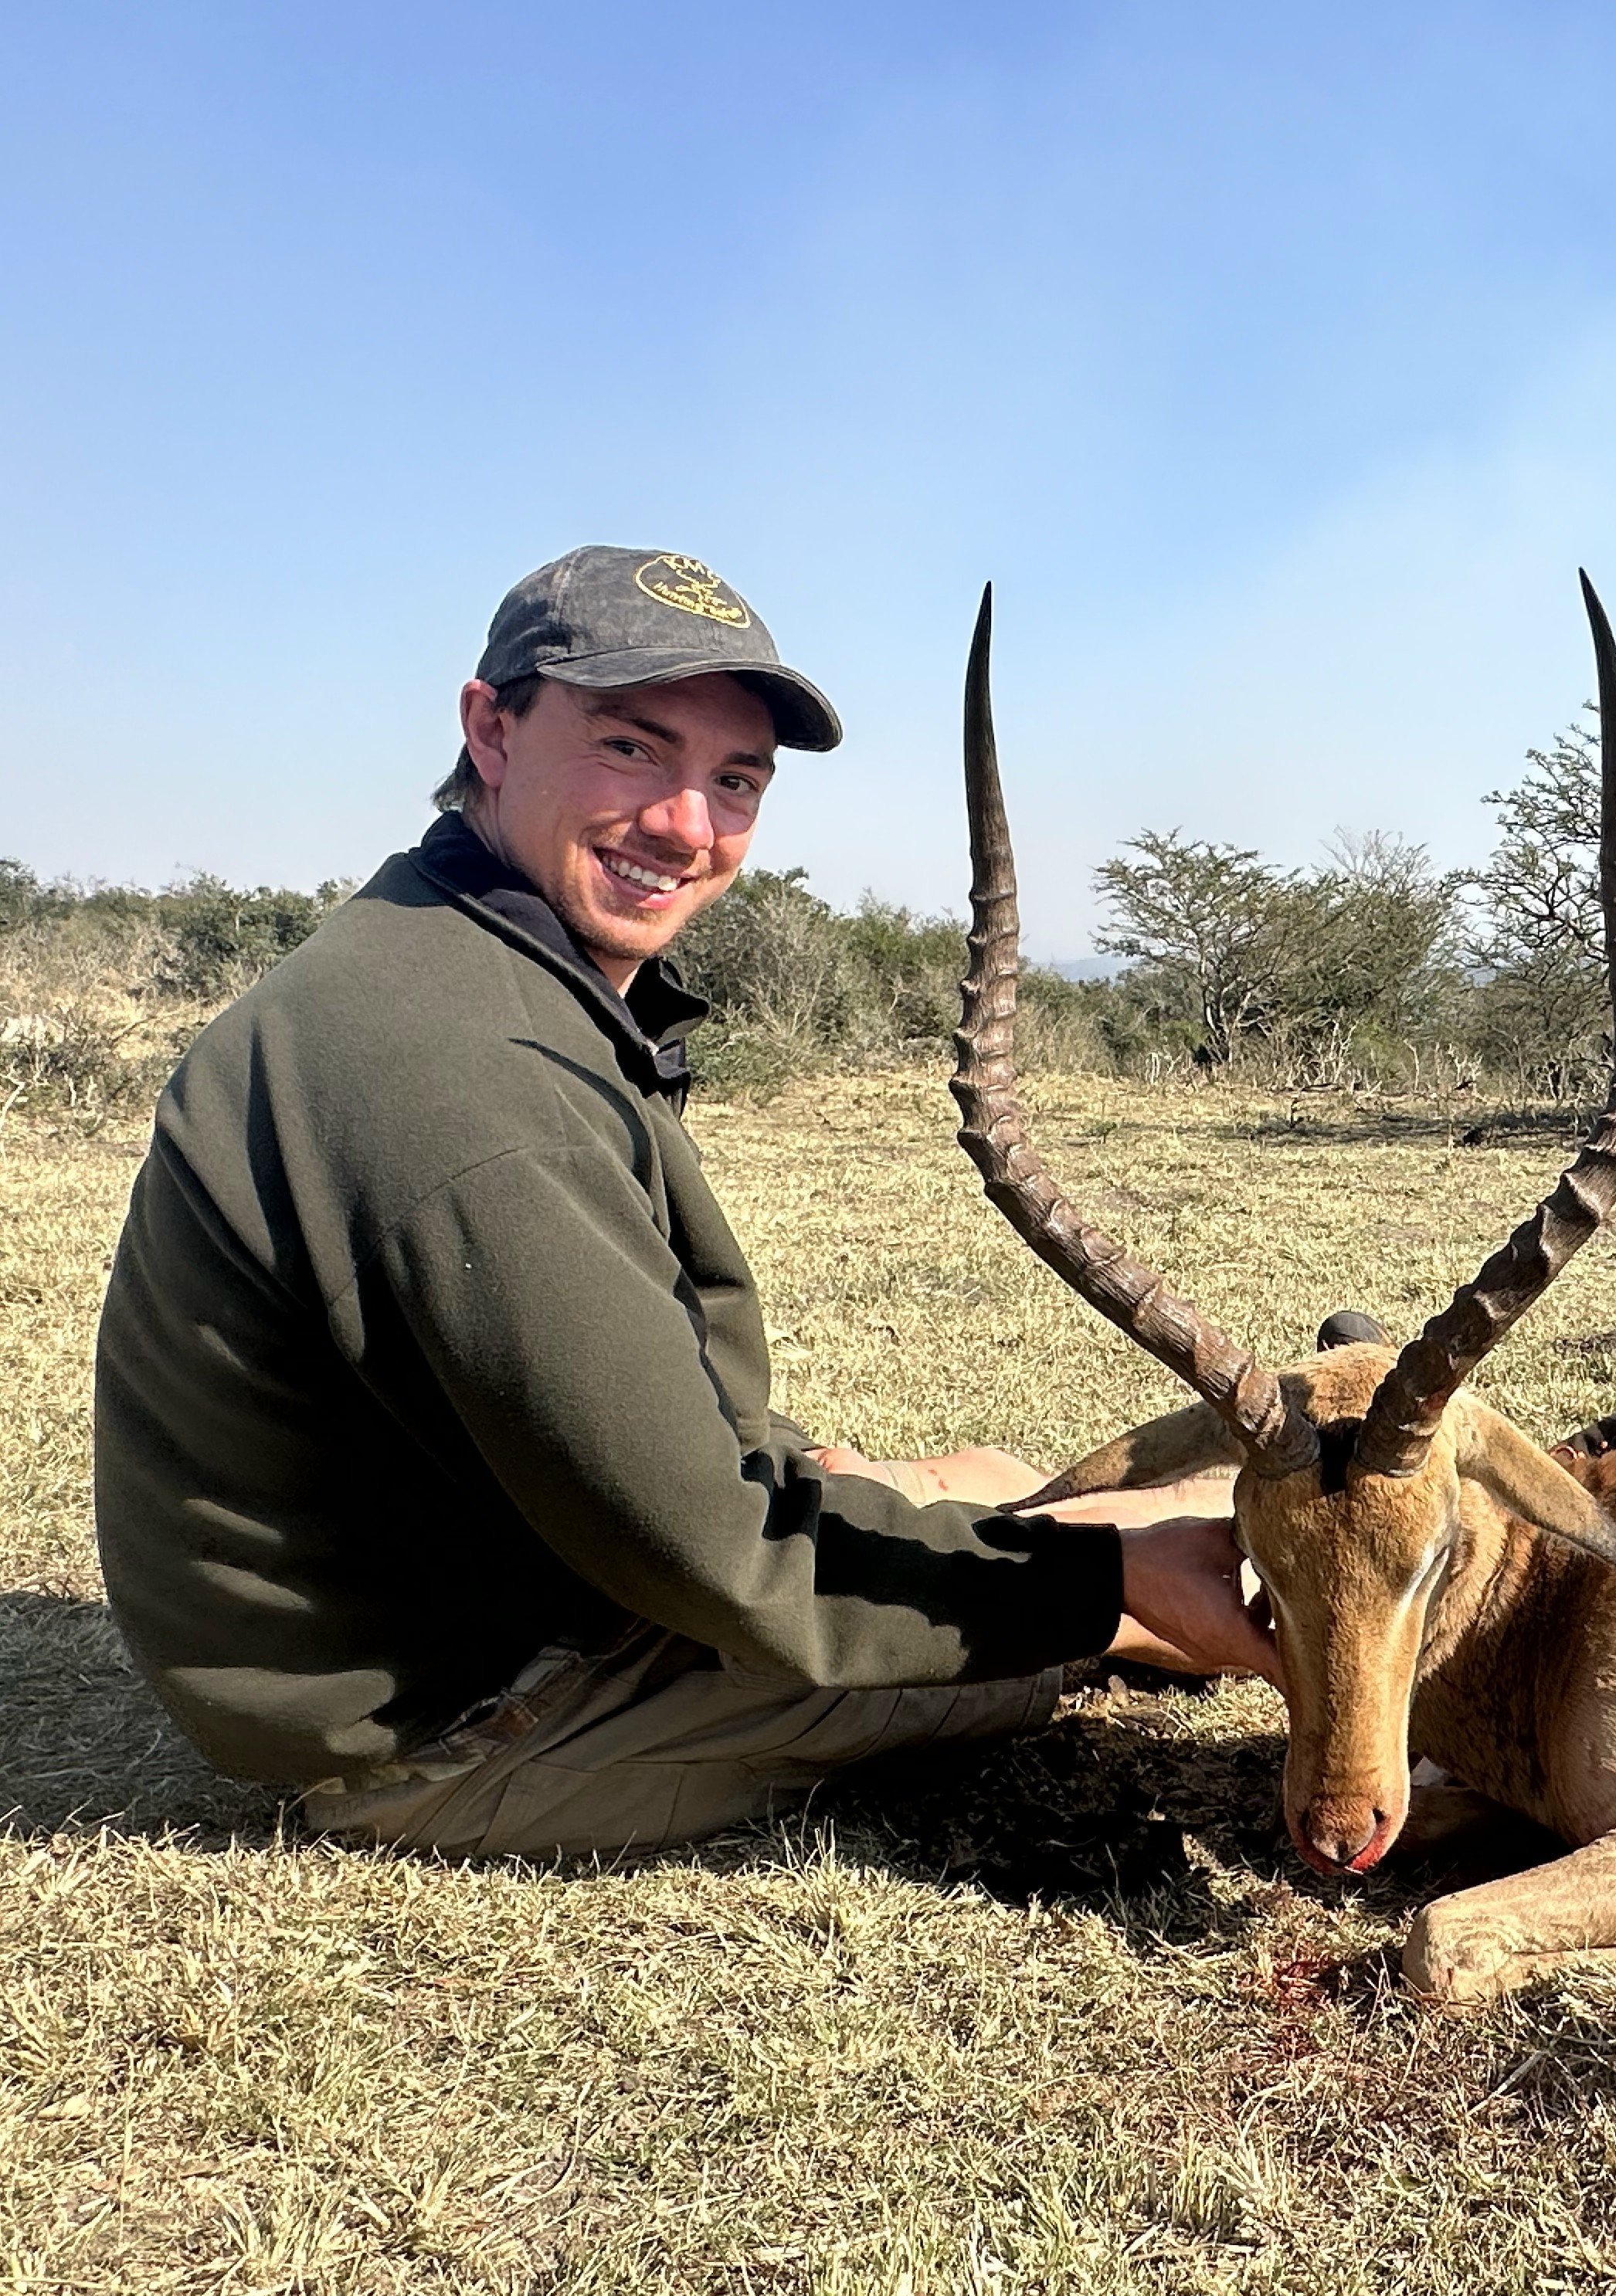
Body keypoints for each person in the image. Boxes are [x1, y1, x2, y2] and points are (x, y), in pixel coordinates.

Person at [92, 546, 1273, 1859]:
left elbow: (636, 1432)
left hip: (513, 1563)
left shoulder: (460, 951)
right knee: (1030, 1633)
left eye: (733, 779)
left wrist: (830, 1482)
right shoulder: (466, 1076)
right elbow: (718, 1548)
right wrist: (1107, 1592)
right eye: (630, 748)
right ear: (491, 727)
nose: (685, 824)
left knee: (999, 1483)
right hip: (455, 1722)